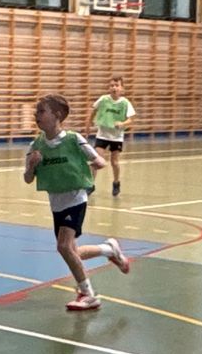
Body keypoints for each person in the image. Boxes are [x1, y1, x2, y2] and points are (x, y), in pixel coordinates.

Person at [23, 94, 131, 312]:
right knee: (72, 252)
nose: (36, 115)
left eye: (41, 111)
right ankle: (109, 249)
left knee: (63, 246)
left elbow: (99, 161)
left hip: (76, 198)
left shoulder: (73, 140)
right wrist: (32, 166)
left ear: (57, 115)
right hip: (56, 202)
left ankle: (88, 294)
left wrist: (83, 169)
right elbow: (27, 178)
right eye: (36, 111)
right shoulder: (36, 146)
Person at [90, 75, 136, 197]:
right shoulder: (103, 99)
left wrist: (122, 123)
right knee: (96, 160)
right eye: (111, 85)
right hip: (102, 135)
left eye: (117, 85)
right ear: (109, 87)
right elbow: (93, 111)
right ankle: (90, 184)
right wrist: (88, 125)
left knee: (114, 162)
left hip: (116, 137)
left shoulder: (125, 103)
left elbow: (131, 119)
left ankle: (116, 182)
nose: (114, 88)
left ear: (122, 88)